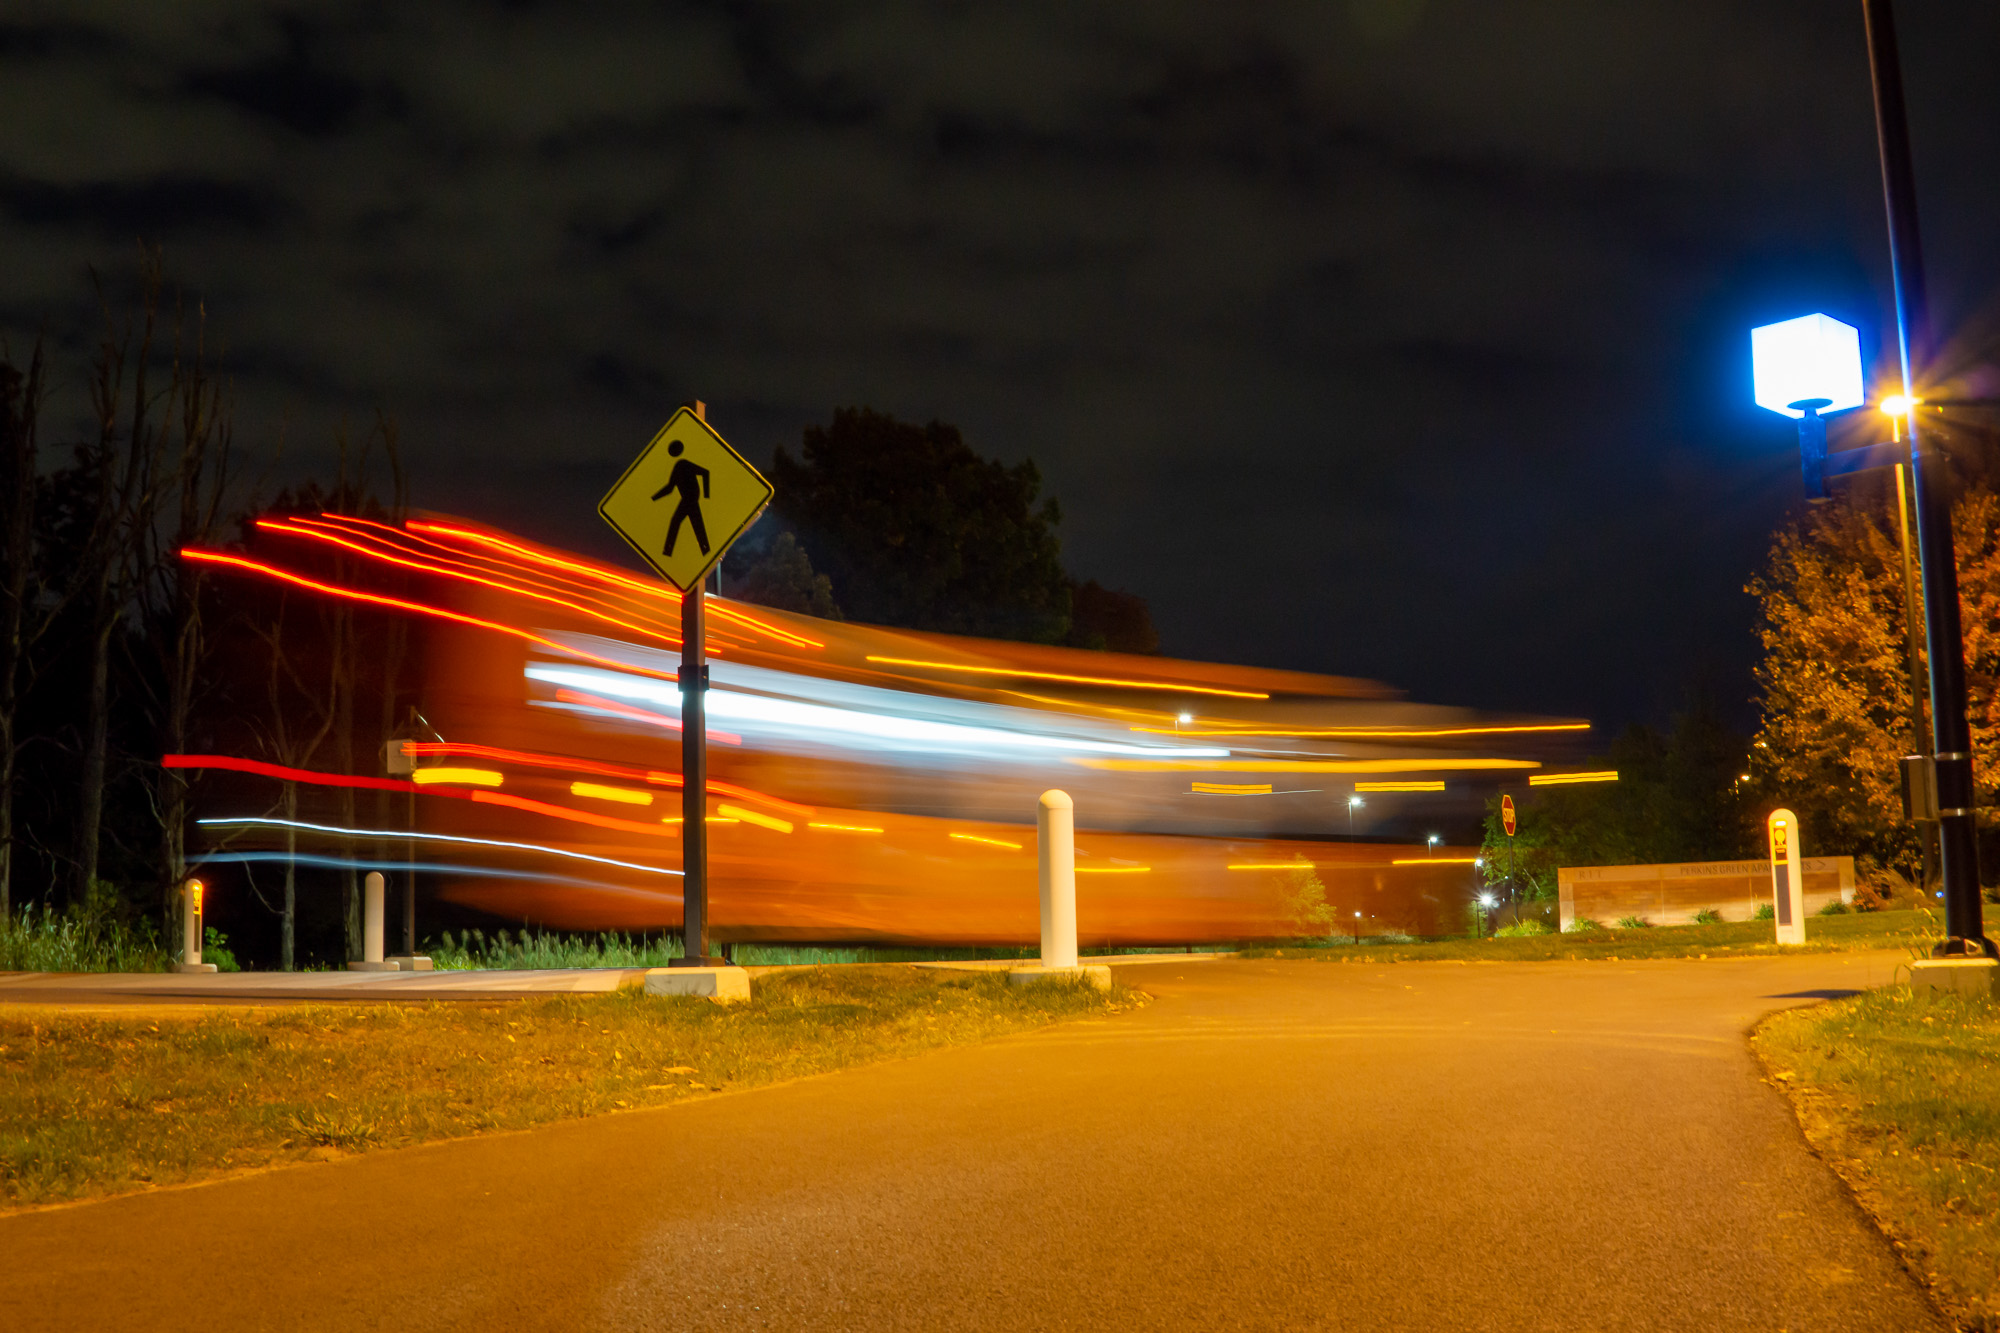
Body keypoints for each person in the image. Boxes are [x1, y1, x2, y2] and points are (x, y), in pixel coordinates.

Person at [652, 440, 711, 556]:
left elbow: (705, 472)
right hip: (689, 499)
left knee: (679, 522)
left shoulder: (683, 464)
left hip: (691, 498)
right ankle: (705, 551)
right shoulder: (678, 466)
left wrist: (706, 495)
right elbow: (670, 488)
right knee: (695, 524)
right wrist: (653, 498)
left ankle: (667, 552)